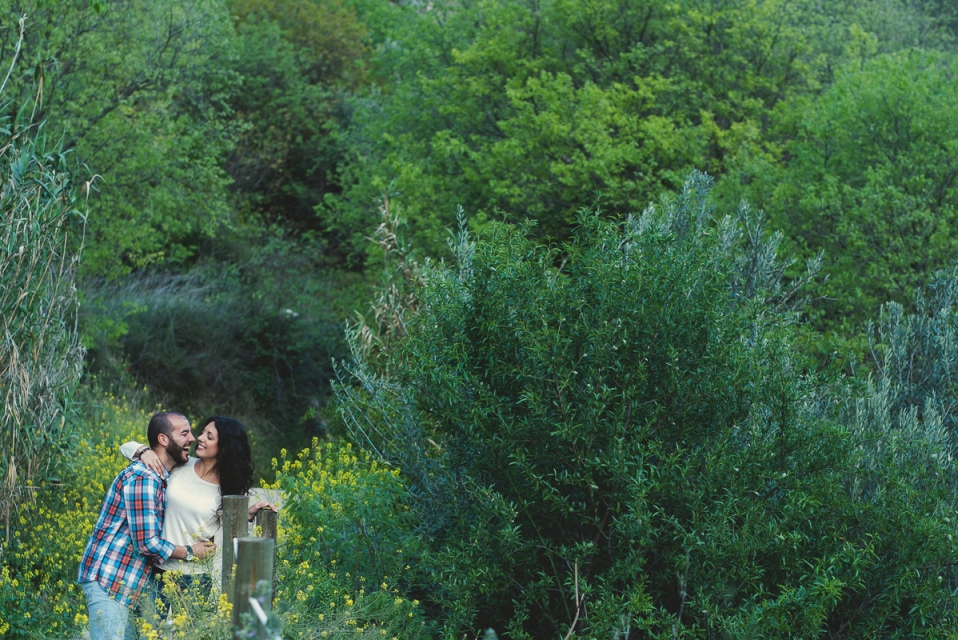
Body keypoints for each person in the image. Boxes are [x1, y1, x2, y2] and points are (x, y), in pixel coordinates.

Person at [78, 411, 216, 640]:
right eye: (185, 433)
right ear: (163, 440)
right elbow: (147, 543)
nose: (192, 438)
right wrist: (190, 552)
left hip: (126, 582)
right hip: (110, 580)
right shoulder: (145, 478)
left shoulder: (163, 474)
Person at [120, 415, 277, 593]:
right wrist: (144, 451)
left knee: (189, 623)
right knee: (148, 621)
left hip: (194, 576)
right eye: (202, 432)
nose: (199, 438)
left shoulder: (228, 489)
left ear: (225, 448)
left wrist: (246, 515)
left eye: (209, 437)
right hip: (155, 568)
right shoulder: (181, 463)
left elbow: (224, 536)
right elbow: (125, 447)